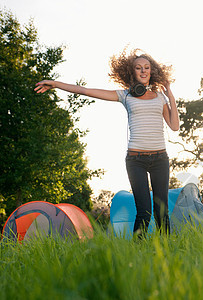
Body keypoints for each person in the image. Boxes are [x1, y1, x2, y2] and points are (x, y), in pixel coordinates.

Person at [35, 49, 180, 235]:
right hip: (136, 161)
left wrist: (169, 92)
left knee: (162, 212)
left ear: (152, 71)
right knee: (144, 212)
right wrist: (55, 84)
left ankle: (167, 253)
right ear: (132, 72)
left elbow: (174, 126)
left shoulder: (160, 98)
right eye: (138, 68)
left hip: (160, 159)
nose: (143, 71)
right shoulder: (125, 95)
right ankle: (139, 255)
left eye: (147, 67)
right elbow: (85, 90)